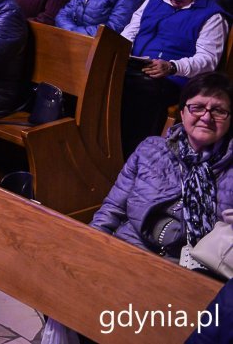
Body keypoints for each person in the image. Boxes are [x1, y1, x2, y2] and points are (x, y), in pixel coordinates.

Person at [91, 72, 233, 264]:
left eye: (218, 111)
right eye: (197, 107)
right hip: (126, 247)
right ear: (182, 113)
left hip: (188, 269)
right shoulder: (151, 149)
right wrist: (90, 244)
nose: (206, 117)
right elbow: (113, 208)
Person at [120, 0, 228, 157]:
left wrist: (172, 66)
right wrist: (119, 51)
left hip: (171, 78)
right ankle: (103, 147)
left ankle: (133, 154)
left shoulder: (211, 15)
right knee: (107, 79)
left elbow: (208, 60)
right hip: (136, 66)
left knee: (142, 91)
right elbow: (130, 31)